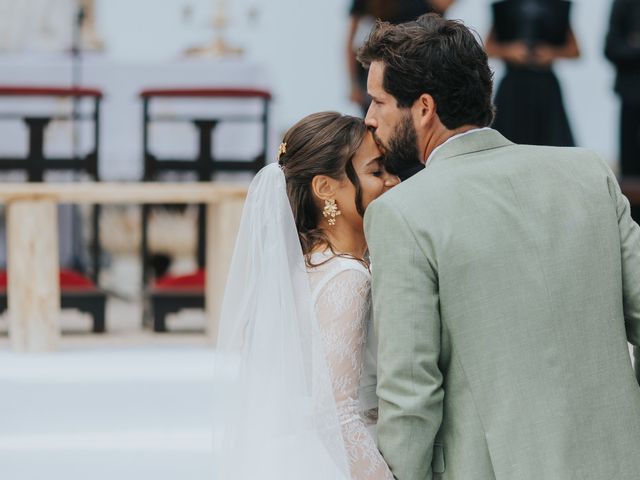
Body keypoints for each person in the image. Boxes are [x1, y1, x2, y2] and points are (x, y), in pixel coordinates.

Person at [359, 13, 640, 479]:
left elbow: (411, 393)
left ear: (424, 107)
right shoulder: (589, 175)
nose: (369, 119)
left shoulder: (403, 213)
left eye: (378, 101)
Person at [214, 112, 399, 479]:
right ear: (326, 189)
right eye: (376, 172)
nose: (392, 181)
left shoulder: (308, 266)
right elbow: (336, 412)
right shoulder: (348, 278)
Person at [485, 0, 579, 146]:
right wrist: (510, 51)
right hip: (514, 86)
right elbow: (488, 49)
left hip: (545, 85)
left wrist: (551, 53)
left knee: (551, 140)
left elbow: (575, 51)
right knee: (508, 139)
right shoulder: (506, 7)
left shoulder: (556, 7)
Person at [346, 0, 454, 114]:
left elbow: (444, 5)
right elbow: (351, 44)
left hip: (420, 72)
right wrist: (354, 84)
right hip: (382, 72)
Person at [605, 0, 640, 177]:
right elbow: (611, 48)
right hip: (631, 95)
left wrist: (634, 43)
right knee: (630, 166)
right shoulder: (624, 4)